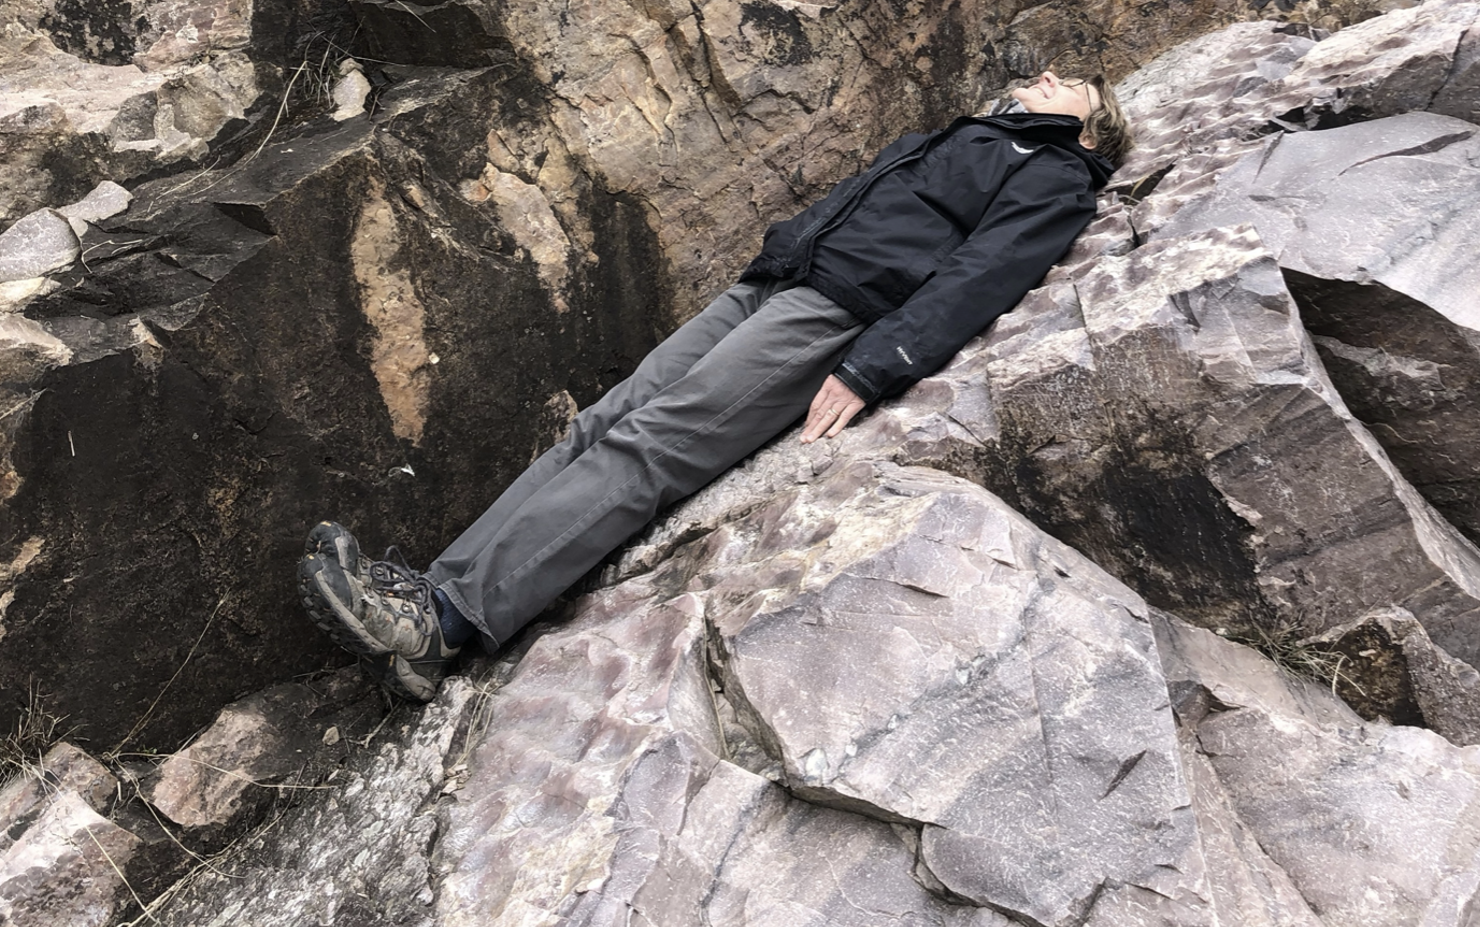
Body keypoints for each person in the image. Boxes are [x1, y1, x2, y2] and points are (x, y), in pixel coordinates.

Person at [299, 68, 1132, 699]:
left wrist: (876, 364)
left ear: (1090, 134)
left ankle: (442, 628)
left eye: (1071, 86)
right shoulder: (978, 135)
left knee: (647, 449)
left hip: (833, 315)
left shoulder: (1059, 176)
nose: (1046, 77)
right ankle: (429, 589)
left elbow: (987, 273)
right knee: (601, 424)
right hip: (775, 284)